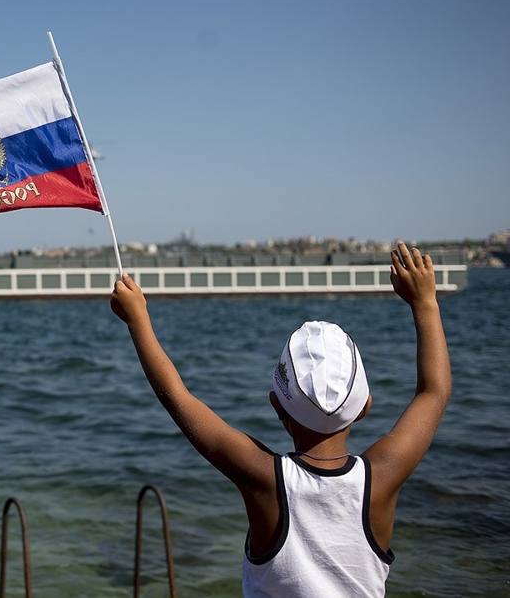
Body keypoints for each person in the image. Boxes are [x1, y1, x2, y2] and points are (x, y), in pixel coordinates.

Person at [110, 241, 451, 598]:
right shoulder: (383, 475)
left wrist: (138, 320)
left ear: (277, 406)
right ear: (365, 406)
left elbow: (177, 398)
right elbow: (434, 392)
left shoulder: (264, 478)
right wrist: (425, 302)